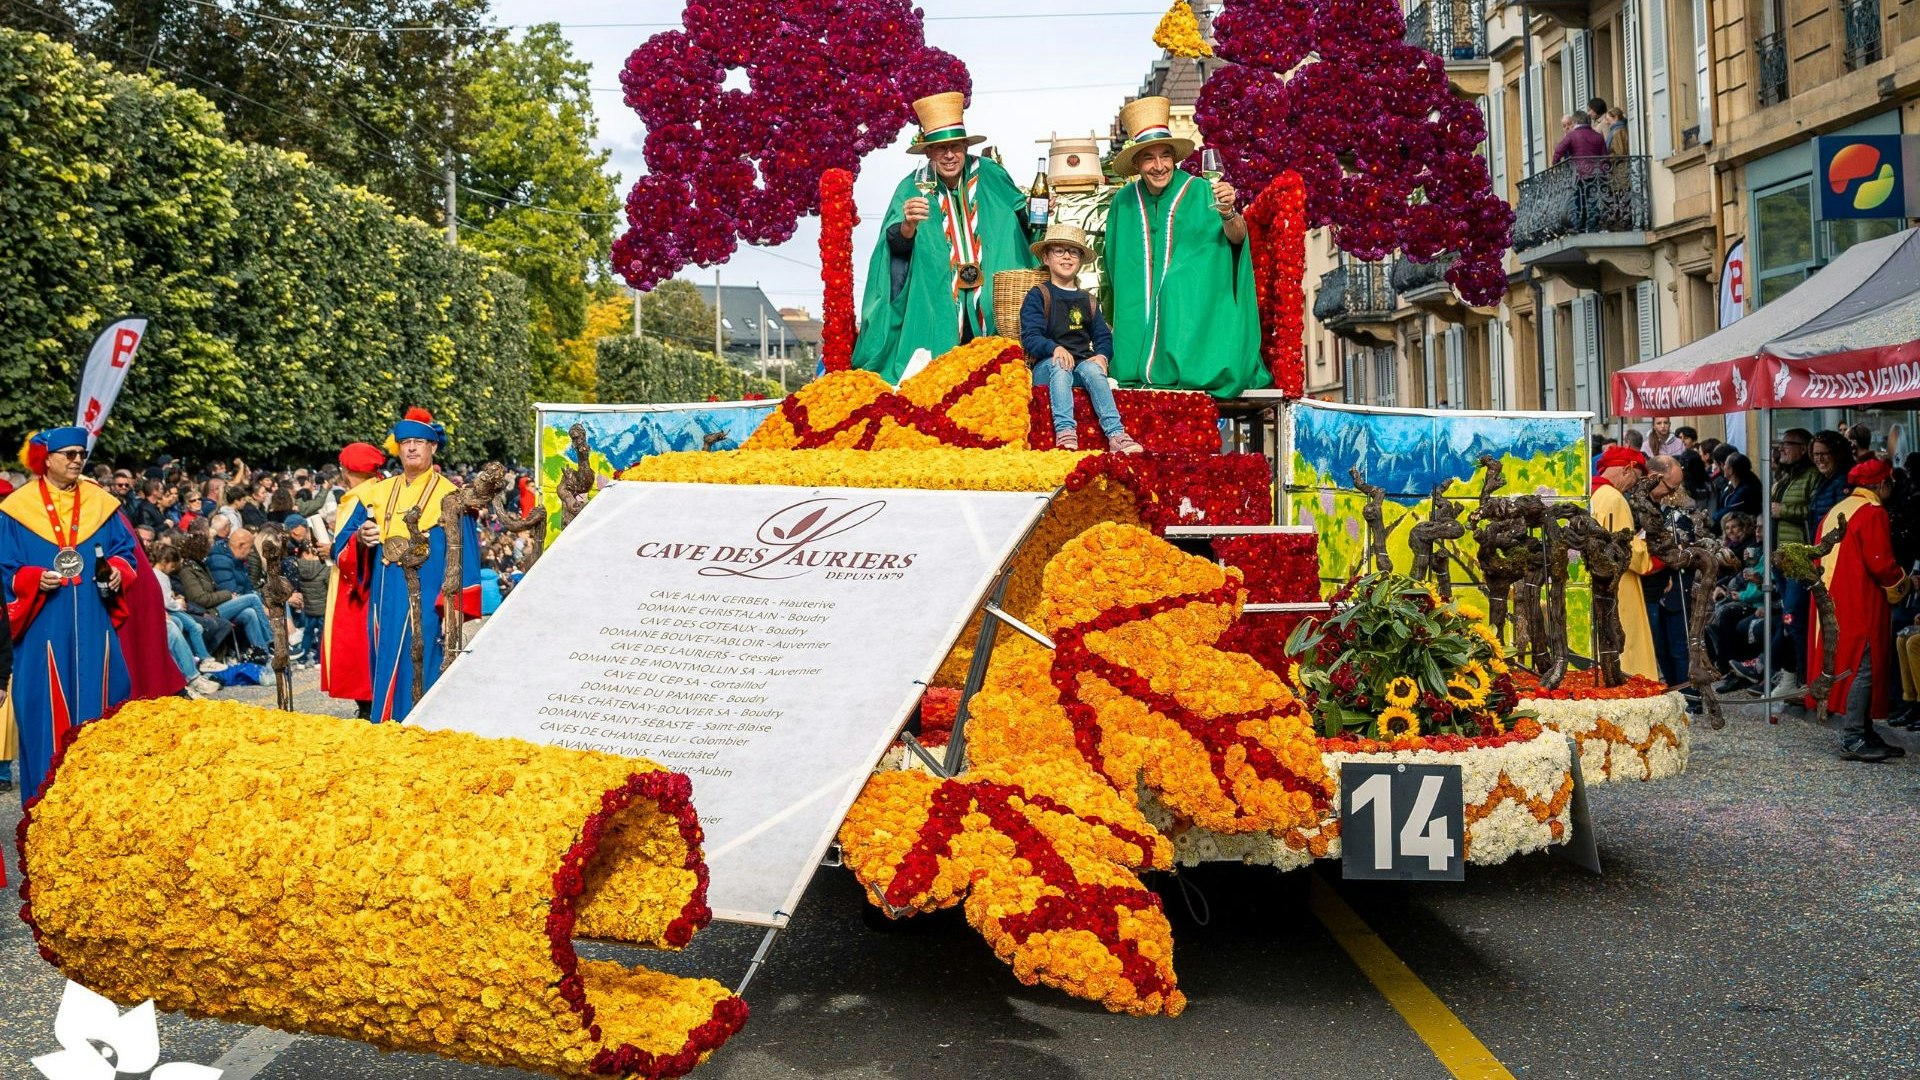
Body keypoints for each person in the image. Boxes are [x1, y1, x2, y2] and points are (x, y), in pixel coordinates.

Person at [851, 92, 1035, 383]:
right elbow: (895, 249)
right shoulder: (911, 186)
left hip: (992, 298)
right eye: (940, 148)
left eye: (955, 146)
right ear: (928, 152)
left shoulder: (991, 174)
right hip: (937, 299)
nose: (949, 155)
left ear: (965, 146)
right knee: (942, 378)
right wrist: (909, 225)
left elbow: (1024, 217)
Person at [0, 427, 136, 803]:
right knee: (44, 713)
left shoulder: (101, 504)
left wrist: (114, 575)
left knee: (100, 708)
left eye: (81, 454)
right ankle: (46, 807)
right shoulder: (15, 510)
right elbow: (4, 568)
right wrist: (31, 579)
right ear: (47, 459)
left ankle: (98, 805)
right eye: (69, 454)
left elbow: (126, 555)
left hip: (94, 621)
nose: (78, 460)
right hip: (44, 623)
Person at [1103, 97, 1266, 398]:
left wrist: (1229, 212)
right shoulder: (1122, 203)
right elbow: (1112, 270)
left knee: (1179, 283)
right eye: (1149, 158)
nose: (1159, 166)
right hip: (1133, 346)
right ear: (1137, 163)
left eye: (1165, 156)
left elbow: (1236, 239)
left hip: (1189, 332)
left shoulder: (1202, 190)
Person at [332, 410, 480, 723]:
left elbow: (466, 554)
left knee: (424, 659)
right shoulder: (376, 492)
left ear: (433, 448)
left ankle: (423, 727)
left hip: (430, 599)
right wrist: (360, 537)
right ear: (398, 448)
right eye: (406, 442)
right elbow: (340, 546)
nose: (412, 448)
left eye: (420, 442)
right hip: (384, 596)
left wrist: (452, 609)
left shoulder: (451, 496)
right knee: (385, 661)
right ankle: (384, 728)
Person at [1806, 458, 1909, 761]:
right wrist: (1902, 585)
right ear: (1879, 484)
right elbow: (1880, 563)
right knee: (1863, 665)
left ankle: (1862, 731)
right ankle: (1854, 736)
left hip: (1832, 597)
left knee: (1848, 663)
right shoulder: (1873, 512)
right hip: (1859, 600)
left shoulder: (1835, 510)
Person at [1019, 222, 1143, 454]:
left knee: (1093, 369)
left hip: (1078, 367)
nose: (1066, 257)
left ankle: (1116, 434)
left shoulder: (1088, 300)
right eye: (1059, 251)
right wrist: (1054, 348)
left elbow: (1103, 337)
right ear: (1046, 257)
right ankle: (1066, 431)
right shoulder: (1039, 295)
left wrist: (1103, 356)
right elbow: (1030, 336)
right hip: (1048, 368)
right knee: (1060, 365)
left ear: (1080, 260)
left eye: (1073, 252)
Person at [323, 443, 385, 717]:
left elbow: (349, 545)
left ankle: (367, 706)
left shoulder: (358, 498)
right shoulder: (381, 489)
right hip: (374, 579)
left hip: (358, 585)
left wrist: (335, 550)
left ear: (346, 471)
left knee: (356, 647)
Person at [1590, 445, 1661, 681]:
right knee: (1627, 647)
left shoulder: (1589, 493)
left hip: (1596, 580)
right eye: (1636, 479)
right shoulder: (1614, 499)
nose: (1634, 487)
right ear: (1627, 470)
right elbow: (1625, 549)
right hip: (1618, 585)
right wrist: (1655, 554)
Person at [1638, 455, 1693, 693]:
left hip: (1670, 587)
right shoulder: (1638, 504)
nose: (1673, 492)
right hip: (1648, 588)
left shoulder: (1673, 509)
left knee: (1678, 646)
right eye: (1671, 486)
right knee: (1656, 647)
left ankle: (1684, 692)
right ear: (1654, 478)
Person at [1807, 430, 1854, 543]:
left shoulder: (1842, 483)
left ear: (1837, 454)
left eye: (1824, 454)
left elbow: (1843, 524)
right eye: (1816, 454)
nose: (1819, 459)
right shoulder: (1823, 480)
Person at [1712, 452, 1762, 529]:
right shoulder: (1730, 486)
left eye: (1725, 464)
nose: (1723, 466)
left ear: (1731, 470)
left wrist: (1711, 517)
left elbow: (1728, 511)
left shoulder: (1745, 491)